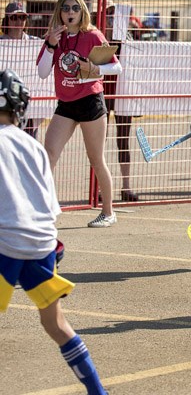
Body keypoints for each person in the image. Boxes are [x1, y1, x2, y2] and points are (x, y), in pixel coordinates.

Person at [0, 70, 107, 394]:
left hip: (6, 244)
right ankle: (96, 391)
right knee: (56, 324)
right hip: (43, 243)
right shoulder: (32, 147)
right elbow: (50, 205)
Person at [37, 0, 121, 227]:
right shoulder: (55, 37)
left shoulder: (92, 35)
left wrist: (94, 67)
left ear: (82, 11)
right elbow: (42, 72)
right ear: (59, 12)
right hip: (66, 104)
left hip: (90, 102)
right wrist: (50, 45)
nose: (70, 12)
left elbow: (117, 67)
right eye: (65, 8)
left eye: (75, 8)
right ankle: (46, 209)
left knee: (96, 158)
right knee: (49, 155)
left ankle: (108, 212)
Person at [101, 2, 144, 202]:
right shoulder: (99, 38)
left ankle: (126, 186)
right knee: (99, 141)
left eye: (114, 14)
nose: (112, 18)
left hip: (123, 93)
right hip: (103, 94)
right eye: (108, 14)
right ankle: (100, 187)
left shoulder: (128, 40)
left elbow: (137, 68)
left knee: (123, 140)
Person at [1, 1, 43, 138]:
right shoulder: (1, 42)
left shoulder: (35, 43)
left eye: (22, 17)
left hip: (28, 102)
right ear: (6, 20)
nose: (18, 21)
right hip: (5, 102)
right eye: (14, 17)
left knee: (30, 140)